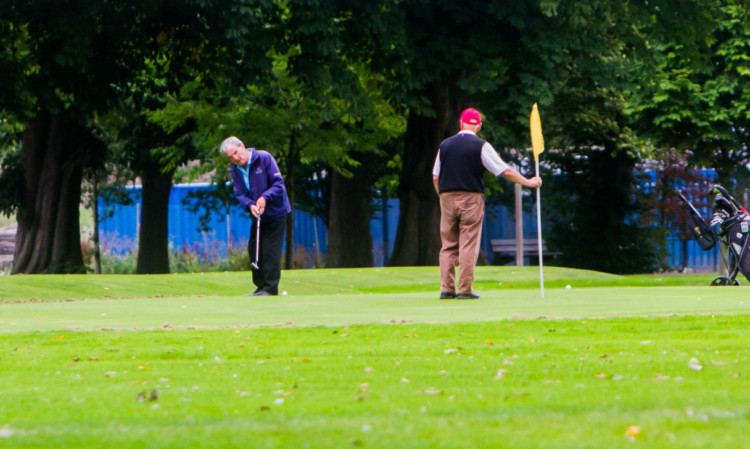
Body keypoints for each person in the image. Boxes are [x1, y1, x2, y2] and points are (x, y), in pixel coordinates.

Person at [432, 108, 542, 300]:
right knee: (468, 244)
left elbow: (435, 176)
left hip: (447, 196)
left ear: (460, 123)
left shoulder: (445, 145)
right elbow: (504, 171)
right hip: (471, 198)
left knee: (448, 244)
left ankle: (447, 289)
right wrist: (528, 182)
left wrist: (441, 194)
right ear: (479, 126)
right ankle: (464, 289)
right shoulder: (481, 146)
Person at [221, 136, 292, 296]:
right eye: (231, 157)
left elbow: (278, 184)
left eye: (236, 153)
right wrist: (250, 205)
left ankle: (270, 288)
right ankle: (260, 287)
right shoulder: (235, 170)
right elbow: (240, 193)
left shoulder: (264, 158)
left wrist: (264, 198)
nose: (235, 158)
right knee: (254, 248)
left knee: (270, 250)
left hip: (276, 212)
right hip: (258, 214)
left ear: (243, 146)